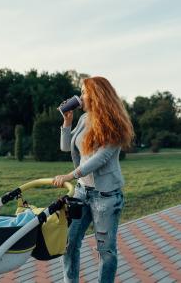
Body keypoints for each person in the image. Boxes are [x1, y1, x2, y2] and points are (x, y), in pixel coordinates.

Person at [52, 76, 134, 283]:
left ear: (96, 96)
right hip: (82, 192)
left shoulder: (115, 123)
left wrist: (70, 175)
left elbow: (101, 158)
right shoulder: (83, 119)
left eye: (84, 92)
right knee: (69, 243)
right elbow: (65, 147)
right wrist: (67, 123)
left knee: (106, 251)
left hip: (106, 196)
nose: (80, 97)